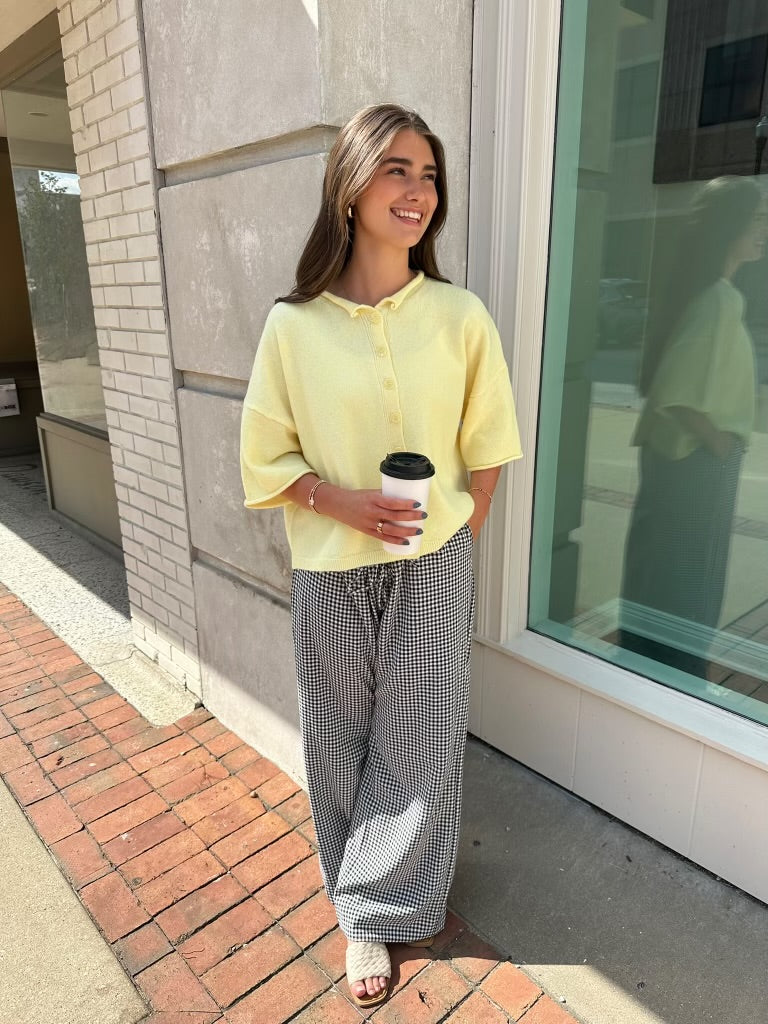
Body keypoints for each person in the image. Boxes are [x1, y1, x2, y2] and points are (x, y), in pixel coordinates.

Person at [240, 103, 522, 1007]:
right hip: (330, 562)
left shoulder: (460, 315)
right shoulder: (293, 326)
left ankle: (391, 901)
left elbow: (489, 440)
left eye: (429, 174)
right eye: (397, 169)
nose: (417, 191)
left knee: (424, 735)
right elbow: (265, 457)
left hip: (434, 559)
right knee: (340, 736)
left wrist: (462, 531)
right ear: (351, 185)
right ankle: (358, 906)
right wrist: (341, 502)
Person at [620, 176, 766, 677]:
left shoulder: (705, 295)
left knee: (661, 574)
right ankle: (674, 675)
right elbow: (676, 393)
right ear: (730, 227)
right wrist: (719, 442)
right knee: (690, 580)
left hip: (681, 461)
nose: (763, 230)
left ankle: (647, 668)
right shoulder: (718, 301)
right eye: (755, 219)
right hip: (697, 464)